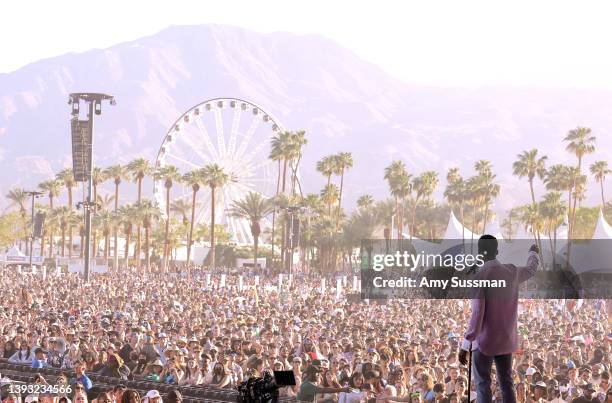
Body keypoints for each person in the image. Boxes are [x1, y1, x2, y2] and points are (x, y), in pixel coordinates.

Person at [459, 236, 540, 403]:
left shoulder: (479, 277)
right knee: (506, 382)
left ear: (480, 253)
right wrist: (534, 253)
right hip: (505, 338)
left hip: (484, 340)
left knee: (483, 383)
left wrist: (466, 344)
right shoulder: (511, 271)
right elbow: (531, 269)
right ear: (497, 251)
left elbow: (477, 313)